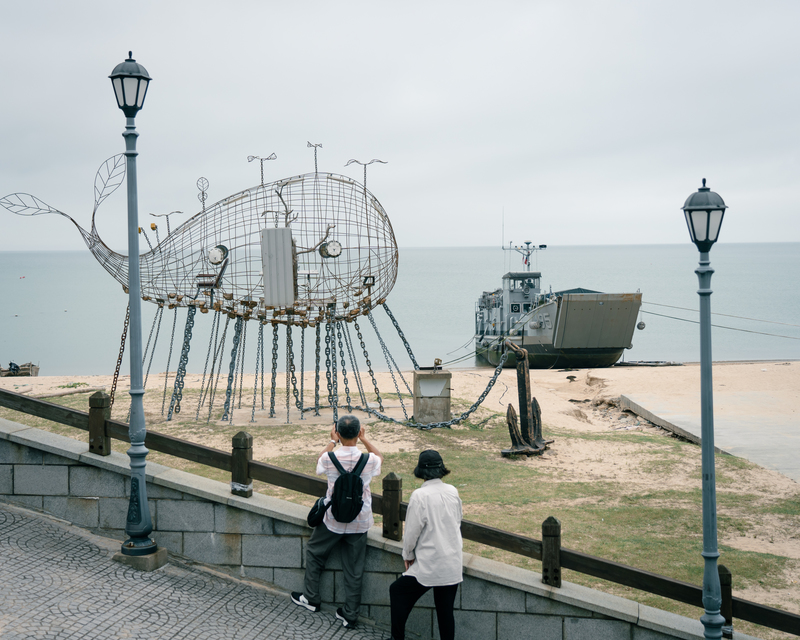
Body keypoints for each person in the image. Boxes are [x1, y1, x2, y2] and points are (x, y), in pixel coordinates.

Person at [291, 414, 383, 629]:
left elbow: (319, 463)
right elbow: (379, 457)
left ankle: (311, 598)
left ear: (338, 433)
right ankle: (350, 614)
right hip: (360, 520)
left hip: (332, 518)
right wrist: (365, 440)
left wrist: (332, 442)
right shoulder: (368, 461)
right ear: (359, 432)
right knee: (354, 568)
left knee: (315, 552)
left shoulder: (329, 459)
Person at [386, 450, 463, 640]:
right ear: (441, 469)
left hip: (430, 562)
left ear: (420, 471)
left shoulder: (420, 496)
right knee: (445, 611)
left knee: (397, 591)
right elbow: (458, 520)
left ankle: (397, 638)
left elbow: (412, 532)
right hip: (452, 561)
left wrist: (408, 555)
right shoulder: (452, 491)